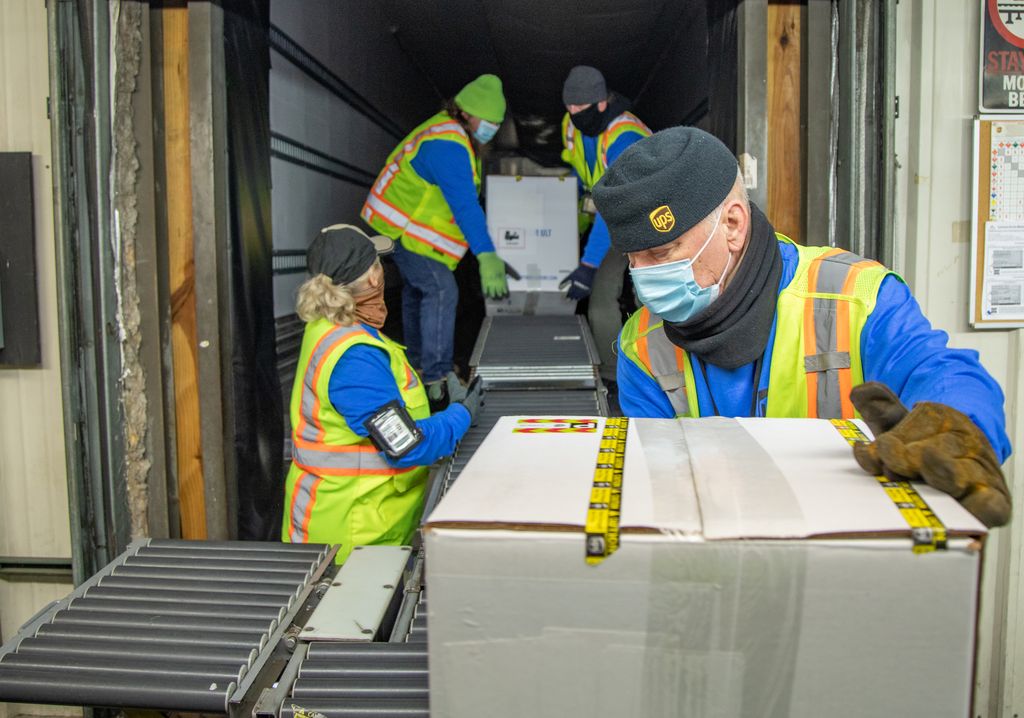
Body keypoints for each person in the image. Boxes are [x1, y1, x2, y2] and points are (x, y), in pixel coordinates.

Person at [592, 126, 1012, 528]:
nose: (642, 277)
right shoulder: (643, 347)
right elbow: (662, 487)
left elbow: (939, 370)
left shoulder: (852, 296)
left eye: (661, 252)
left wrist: (960, 424)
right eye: (633, 258)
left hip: (850, 547)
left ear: (733, 225)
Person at [282, 225, 483, 563]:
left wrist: (431, 405)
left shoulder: (332, 327)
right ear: (375, 279)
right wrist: (460, 414)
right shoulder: (354, 355)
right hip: (348, 540)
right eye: (379, 264)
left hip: (357, 523)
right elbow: (405, 446)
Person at [361, 74, 516, 409]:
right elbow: (464, 206)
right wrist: (487, 256)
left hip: (412, 234)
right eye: (488, 121)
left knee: (418, 292)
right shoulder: (447, 144)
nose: (491, 128)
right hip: (403, 231)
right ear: (467, 113)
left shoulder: (455, 136)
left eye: (496, 123)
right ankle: (437, 379)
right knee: (441, 289)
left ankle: (418, 367)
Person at [557, 65, 651, 384]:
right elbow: (580, 171)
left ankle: (658, 374)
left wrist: (587, 263)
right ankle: (612, 377)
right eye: (568, 108)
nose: (573, 114)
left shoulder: (625, 136)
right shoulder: (571, 127)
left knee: (650, 300)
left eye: (580, 109)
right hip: (613, 222)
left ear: (601, 103)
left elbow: (613, 203)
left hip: (651, 222)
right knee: (599, 303)